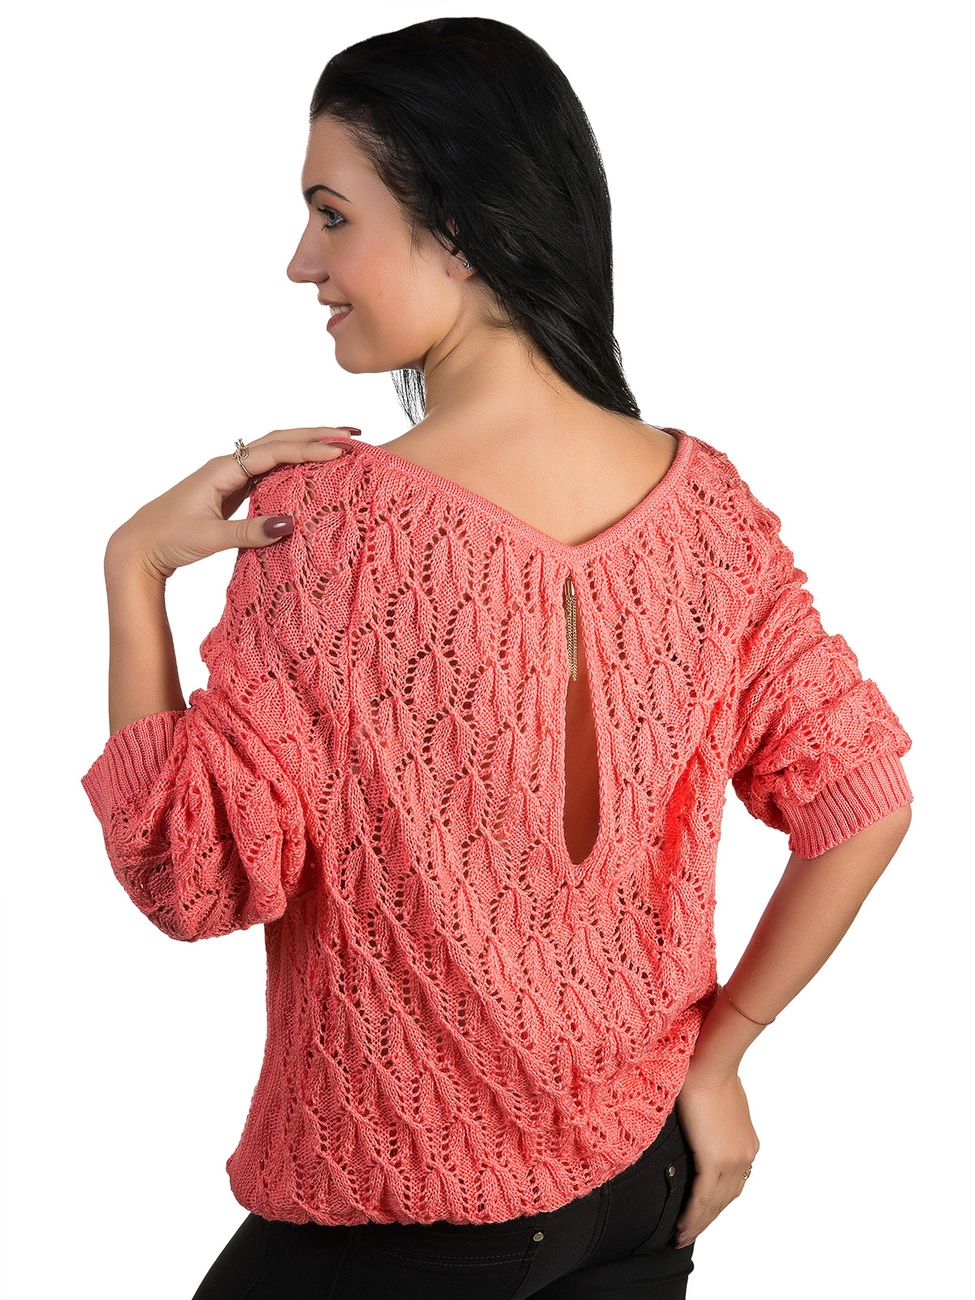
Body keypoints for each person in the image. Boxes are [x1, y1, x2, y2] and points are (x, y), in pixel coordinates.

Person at [79, 17, 913, 1300]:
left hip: (399, 1220)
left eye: (331, 215)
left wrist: (133, 566)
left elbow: (191, 877)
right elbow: (864, 801)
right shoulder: (709, 510)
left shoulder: (331, 530)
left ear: (459, 230)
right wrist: (721, 1056)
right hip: (640, 1186)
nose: (302, 261)